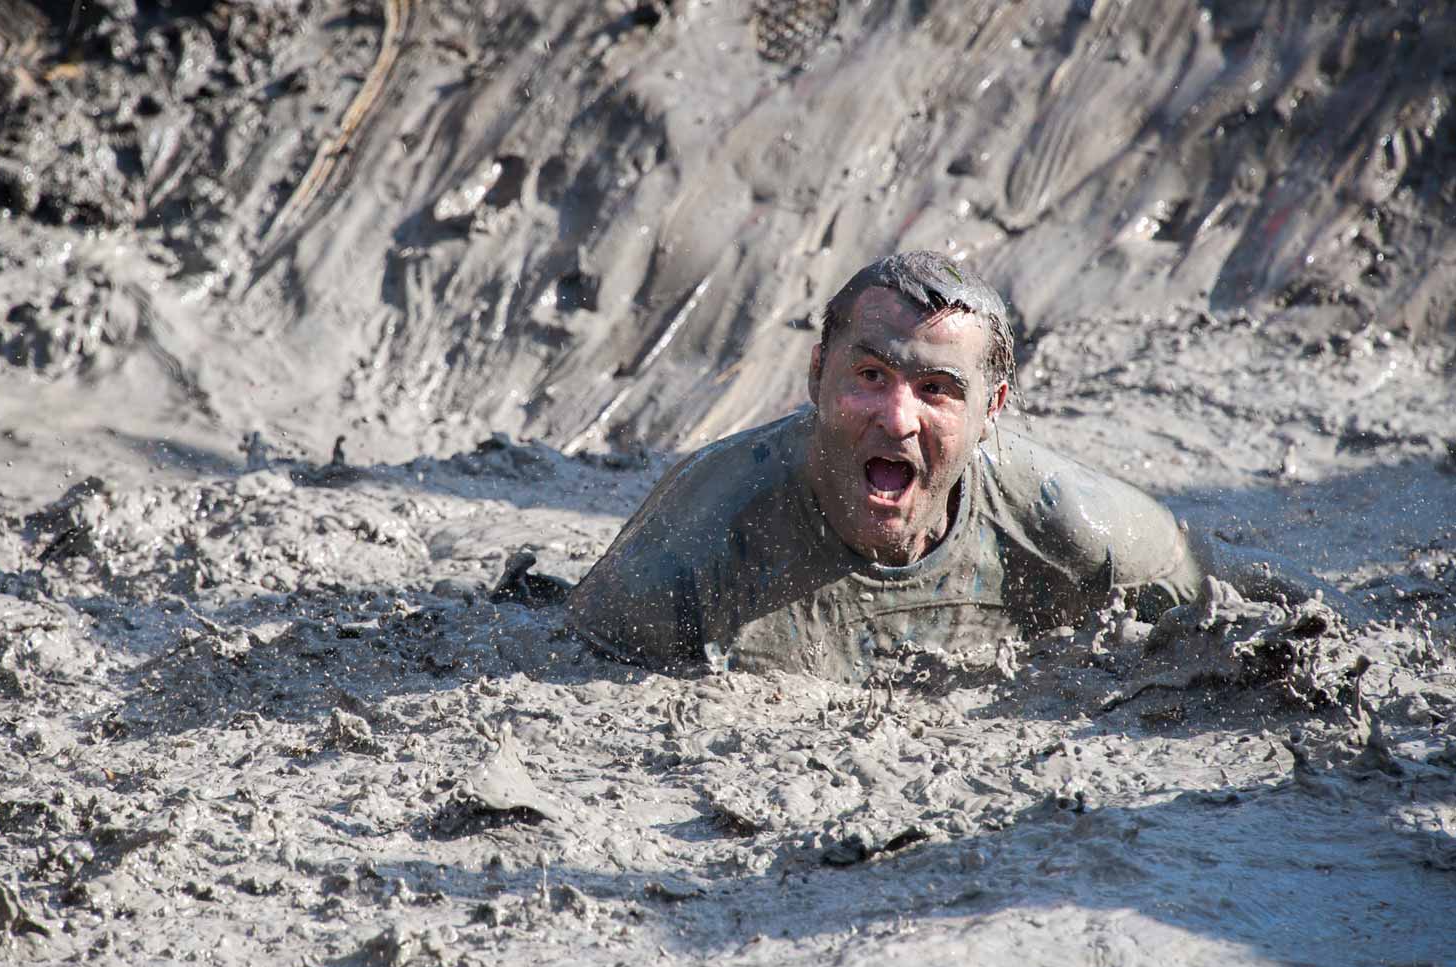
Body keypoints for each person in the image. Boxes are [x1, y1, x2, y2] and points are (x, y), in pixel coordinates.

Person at [565, 251, 1352, 683]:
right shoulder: (688, 555)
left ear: (992, 410)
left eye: (938, 390)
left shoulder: (1076, 526)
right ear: (816, 377)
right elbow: (566, 674)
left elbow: (1257, 602)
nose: (898, 418)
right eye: (870, 377)